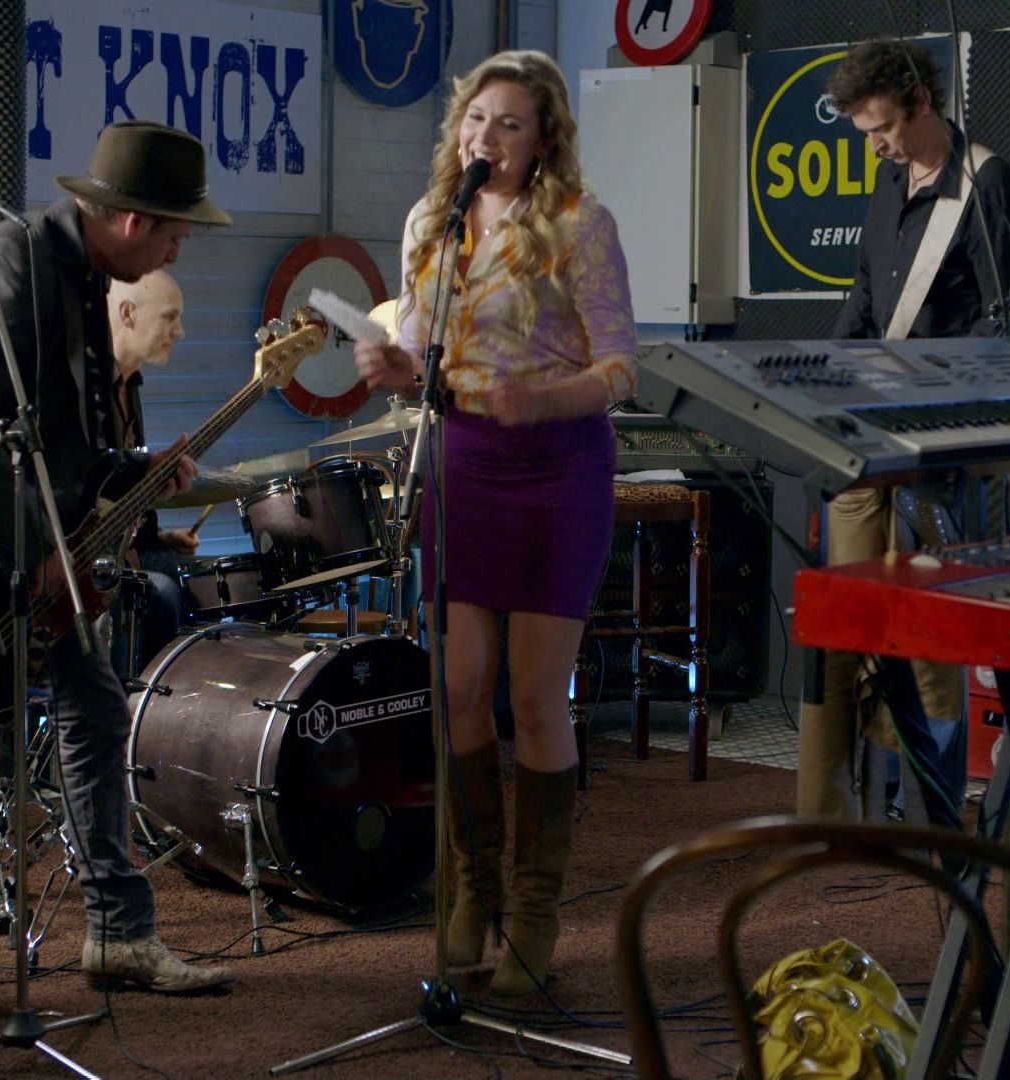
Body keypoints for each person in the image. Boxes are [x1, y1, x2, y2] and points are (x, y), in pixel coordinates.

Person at [0, 122, 235, 1033]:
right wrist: (34, 556)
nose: (179, 250)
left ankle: (119, 935)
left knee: (94, 708)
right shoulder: (10, 267)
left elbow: (55, 437)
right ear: (134, 221)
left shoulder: (84, 275)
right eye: (177, 232)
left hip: (27, 545)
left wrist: (133, 469)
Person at [352, 49, 637, 997]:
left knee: (535, 698)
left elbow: (620, 367)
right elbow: (418, 354)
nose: (487, 137)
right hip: (463, 464)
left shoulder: (580, 224)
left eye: (509, 123)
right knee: (459, 685)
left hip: (558, 468)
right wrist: (392, 367)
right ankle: (473, 889)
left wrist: (543, 401)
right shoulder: (431, 222)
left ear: (544, 138)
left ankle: (536, 907)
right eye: (477, 120)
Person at [800, 39, 1010, 827]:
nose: (876, 146)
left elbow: (1007, 327)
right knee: (854, 614)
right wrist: (821, 380)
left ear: (922, 102)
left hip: (942, 447)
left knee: (931, 628)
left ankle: (932, 805)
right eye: (865, 134)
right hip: (871, 438)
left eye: (884, 129)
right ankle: (852, 804)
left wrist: (930, 386)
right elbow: (865, 294)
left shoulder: (986, 182)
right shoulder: (888, 180)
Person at [106, 268, 197, 670]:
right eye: (169, 317)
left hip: (128, 551)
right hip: (90, 566)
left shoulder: (131, 386)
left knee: (192, 580)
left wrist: (156, 538)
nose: (180, 332)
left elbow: (118, 495)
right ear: (127, 313)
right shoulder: (89, 391)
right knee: (161, 592)